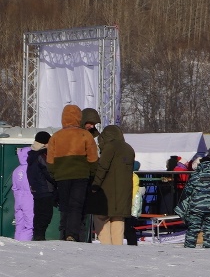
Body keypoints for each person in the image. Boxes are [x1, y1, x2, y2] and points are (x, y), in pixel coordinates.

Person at [47, 104, 98, 242]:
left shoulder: (55, 137)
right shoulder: (85, 135)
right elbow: (93, 159)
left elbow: (50, 161)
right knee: (76, 206)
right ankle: (72, 234)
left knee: (65, 206)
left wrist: (54, 174)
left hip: (62, 176)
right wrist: (91, 173)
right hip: (81, 175)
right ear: (79, 118)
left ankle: (63, 234)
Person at [93, 124, 135, 245]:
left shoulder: (110, 147)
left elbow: (102, 167)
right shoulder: (129, 148)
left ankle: (106, 247)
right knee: (118, 219)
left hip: (107, 192)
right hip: (123, 193)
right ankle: (117, 248)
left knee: (101, 217)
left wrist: (95, 185)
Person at [176, 156, 210, 248]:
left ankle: (189, 249)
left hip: (196, 207)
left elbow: (188, 191)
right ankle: (208, 249)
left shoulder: (195, 176)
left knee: (193, 229)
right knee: (209, 230)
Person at [26, 132, 56, 240]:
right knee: (45, 216)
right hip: (45, 190)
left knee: (38, 215)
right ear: (45, 143)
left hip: (36, 190)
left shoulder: (32, 155)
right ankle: (39, 237)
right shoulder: (42, 155)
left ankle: (38, 236)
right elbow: (49, 172)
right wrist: (57, 180)